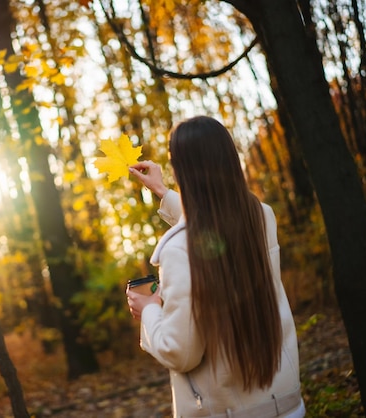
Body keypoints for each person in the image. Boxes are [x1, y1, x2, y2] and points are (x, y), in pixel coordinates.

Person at [126, 115, 305, 417]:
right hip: (284, 404)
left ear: (182, 169)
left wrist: (149, 312)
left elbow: (179, 351)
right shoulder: (261, 217)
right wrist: (163, 192)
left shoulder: (179, 249)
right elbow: (217, 220)